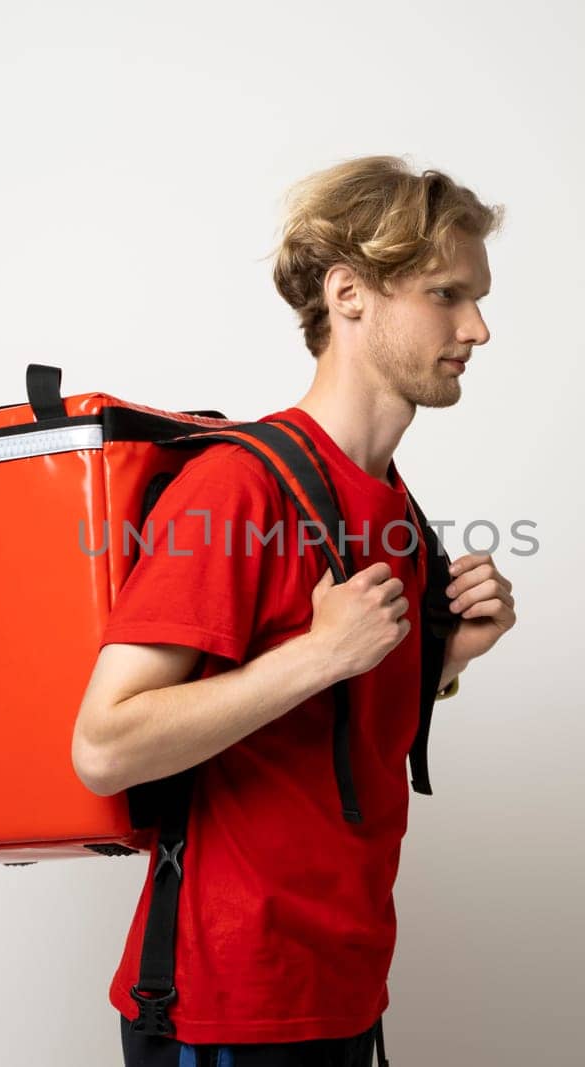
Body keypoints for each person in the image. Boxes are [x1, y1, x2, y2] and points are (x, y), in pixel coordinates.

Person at [72, 155, 517, 1067]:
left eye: (476, 298)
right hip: (230, 1002)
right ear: (350, 293)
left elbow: (332, 723)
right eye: (447, 294)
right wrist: (318, 654)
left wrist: (450, 657)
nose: (477, 327)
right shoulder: (237, 486)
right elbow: (103, 745)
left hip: (344, 988)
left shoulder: (394, 502)